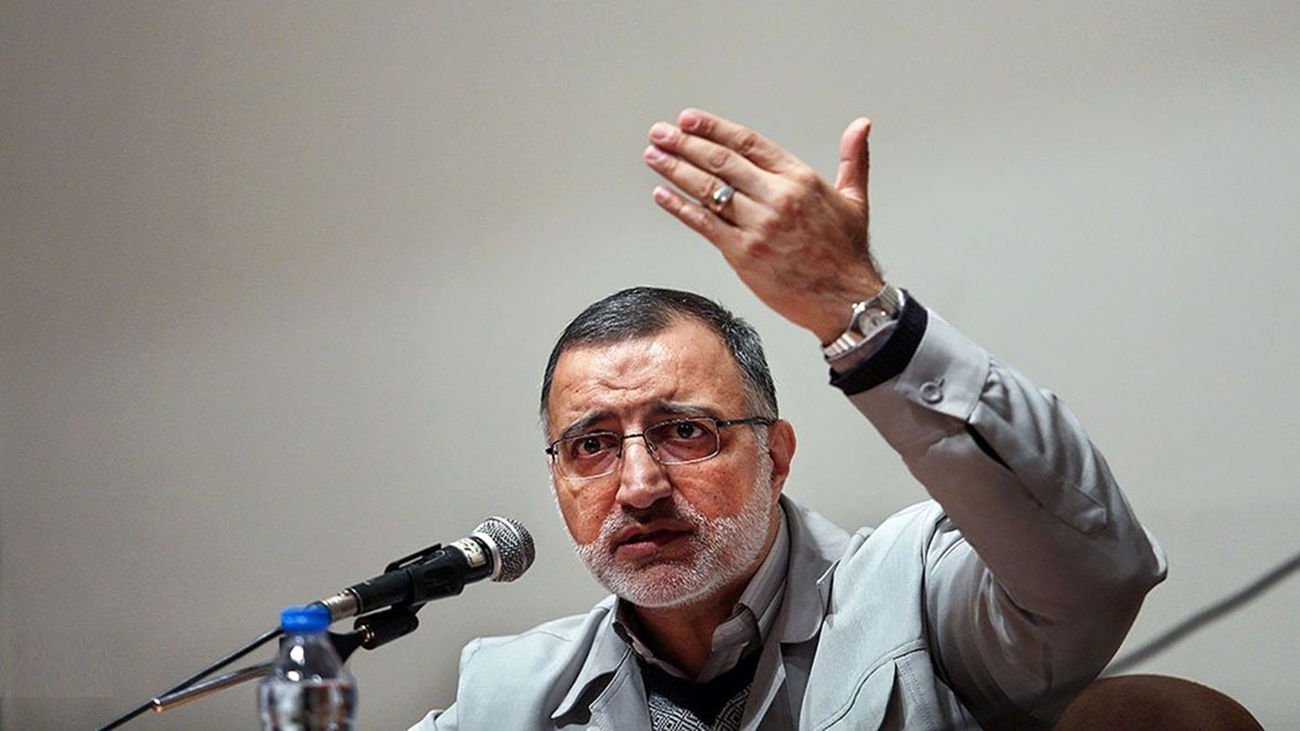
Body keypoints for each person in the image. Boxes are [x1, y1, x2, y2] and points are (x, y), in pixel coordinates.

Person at [410, 109, 1166, 730]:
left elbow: (1095, 574)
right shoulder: (506, 693)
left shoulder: (918, 593)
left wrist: (854, 307)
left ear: (775, 456)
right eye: (593, 445)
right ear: (557, 481)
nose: (638, 485)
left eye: (684, 431)